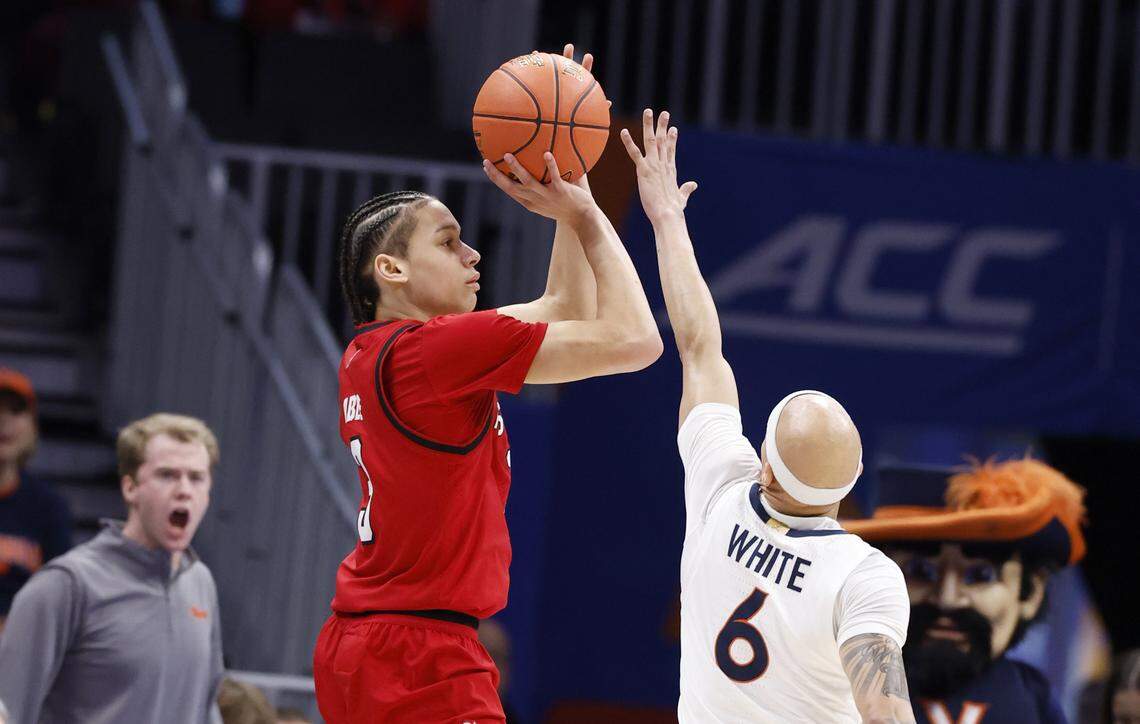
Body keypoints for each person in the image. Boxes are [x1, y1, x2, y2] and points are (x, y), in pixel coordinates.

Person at [311, 45, 662, 724]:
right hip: (421, 653)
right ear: (390, 270)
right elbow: (636, 340)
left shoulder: (381, 351)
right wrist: (590, 215)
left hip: (372, 640)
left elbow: (564, 307)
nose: (473, 255)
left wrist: (573, 187)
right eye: (447, 243)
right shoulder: (433, 351)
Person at [623, 109, 915, 723]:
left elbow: (699, 344)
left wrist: (667, 220)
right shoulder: (865, 576)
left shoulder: (720, 488)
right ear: (852, 478)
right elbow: (886, 714)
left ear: (767, 472)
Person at [0, 412, 225, 723]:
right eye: (167, 475)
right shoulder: (67, 585)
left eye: (196, 477)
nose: (184, 489)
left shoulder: (200, 582)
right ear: (130, 488)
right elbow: (8, 711)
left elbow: (205, 706)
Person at [845, 459, 1086, 723]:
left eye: (981, 575)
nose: (948, 599)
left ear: (1030, 595)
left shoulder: (1033, 699)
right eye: (921, 572)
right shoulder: (839, 687)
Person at [0, 368, 72, 631]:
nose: (3, 421)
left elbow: (60, 601)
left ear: (32, 427)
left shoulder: (49, 507)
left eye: (16, 411)